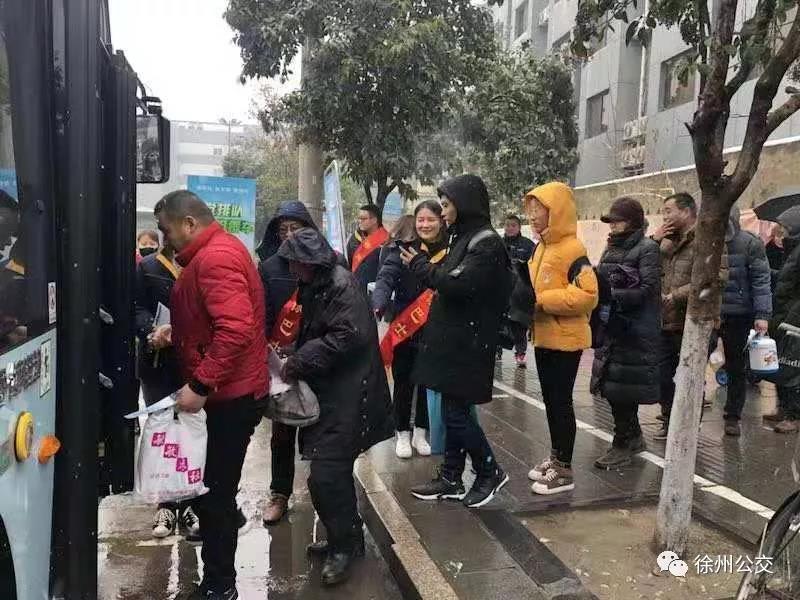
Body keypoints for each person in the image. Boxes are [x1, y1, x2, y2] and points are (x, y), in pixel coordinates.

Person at [151, 190, 268, 600]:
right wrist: (178, 333)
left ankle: (220, 586)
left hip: (230, 397)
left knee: (215, 496)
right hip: (229, 392)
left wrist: (200, 384)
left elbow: (235, 330)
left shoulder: (216, 258)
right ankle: (219, 567)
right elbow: (218, 320)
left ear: (189, 224)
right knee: (212, 491)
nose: (165, 240)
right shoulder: (213, 253)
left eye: (166, 230)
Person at [277, 227, 393, 586]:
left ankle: (345, 547)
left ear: (310, 262)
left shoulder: (340, 285)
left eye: (295, 263)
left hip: (352, 396)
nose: (292, 270)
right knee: (330, 475)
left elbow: (348, 336)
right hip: (335, 393)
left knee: (327, 476)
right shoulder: (316, 283)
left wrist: (299, 360)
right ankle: (346, 538)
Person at [404, 174, 512, 508]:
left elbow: (456, 285)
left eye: (447, 205)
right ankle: (451, 477)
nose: (443, 212)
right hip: (453, 341)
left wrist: (420, 266)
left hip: (469, 344)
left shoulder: (486, 243)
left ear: (465, 204)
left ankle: (489, 470)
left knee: (456, 415)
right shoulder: (463, 238)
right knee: (454, 411)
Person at [524, 182, 599, 495]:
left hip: (566, 339)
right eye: (530, 211)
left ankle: (564, 469)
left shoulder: (572, 249)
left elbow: (588, 294)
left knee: (561, 402)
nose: (532, 217)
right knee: (551, 402)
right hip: (544, 336)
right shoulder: (541, 247)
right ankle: (556, 457)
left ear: (557, 212)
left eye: (538, 211)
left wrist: (541, 301)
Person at [256, 200, 317, 527]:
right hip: (282, 360)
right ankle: (279, 493)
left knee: (322, 430)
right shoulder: (268, 268)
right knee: (281, 432)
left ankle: (325, 494)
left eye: (296, 228)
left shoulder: (329, 262)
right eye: (283, 230)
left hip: (319, 357)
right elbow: (262, 316)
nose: (290, 235)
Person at [372, 202, 448, 458]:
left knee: (428, 382)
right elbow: (385, 278)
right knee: (403, 382)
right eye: (420, 220)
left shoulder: (451, 250)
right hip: (406, 327)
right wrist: (379, 302)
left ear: (441, 221)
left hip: (437, 328)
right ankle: (402, 432)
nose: (425, 225)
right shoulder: (404, 249)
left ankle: (421, 433)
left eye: (430, 219)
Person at [591, 197, 661, 469]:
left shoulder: (647, 248)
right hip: (611, 326)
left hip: (634, 329)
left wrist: (611, 294)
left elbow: (647, 289)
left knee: (623, 390)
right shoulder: (611, 247)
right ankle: (632, 436)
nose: (612, 225)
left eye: (617, 221)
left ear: (632, 222)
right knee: (611, 387)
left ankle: (623, 442)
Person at [719, 206, 772, 436]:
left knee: (735, 365)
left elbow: (761, 280)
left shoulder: (750, 243)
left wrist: (762, 315)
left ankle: (733, 415)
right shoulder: (703, 240)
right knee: (694, 362)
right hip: (708, 313)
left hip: (738, 314)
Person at [652, 193, 699, 440]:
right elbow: (649, 267)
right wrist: (655, 241)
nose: (665, 216)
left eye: (668, 211)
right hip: (665, 320)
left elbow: (715, 278)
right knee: (662, 375)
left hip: (693, 320)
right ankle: (668, 417)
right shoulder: (666, 242)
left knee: (690, 377)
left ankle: (687, 426)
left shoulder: (706, 239)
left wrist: (676, 296)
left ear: (687, 211)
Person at [769, 206, 800, 433]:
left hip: (793, 319)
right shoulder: (792, 251)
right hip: (783, 314)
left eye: (784, 228)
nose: (781, 233)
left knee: (793, 367)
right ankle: (783, 408)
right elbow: (787, 279)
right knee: (781, 364)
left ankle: (794, 415)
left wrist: (793, 317)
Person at [503, 214, 537, 367]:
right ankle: (496, 350)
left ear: (519, 227)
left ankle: (520, 353)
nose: (510, 228)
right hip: (503, 290)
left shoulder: (528, 245)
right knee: (499, 323)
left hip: (521, 293)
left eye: (513, 225)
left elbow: (534, 267)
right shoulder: (498, 243)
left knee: (519, 324)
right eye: (507, 225)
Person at [346, 204, 389, 295]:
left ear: (374, 220)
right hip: (355, 288)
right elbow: (349, 261)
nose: (360, 221)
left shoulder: (386, 240)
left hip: (375, 290)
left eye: (363, 219)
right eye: (359, 218)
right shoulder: (355, 239)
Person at [766, 222, 787, 294]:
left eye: (783, 236)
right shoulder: (769, 247)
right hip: (773, 283)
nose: (781, 239)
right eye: (778, 236)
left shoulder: (790, 248)